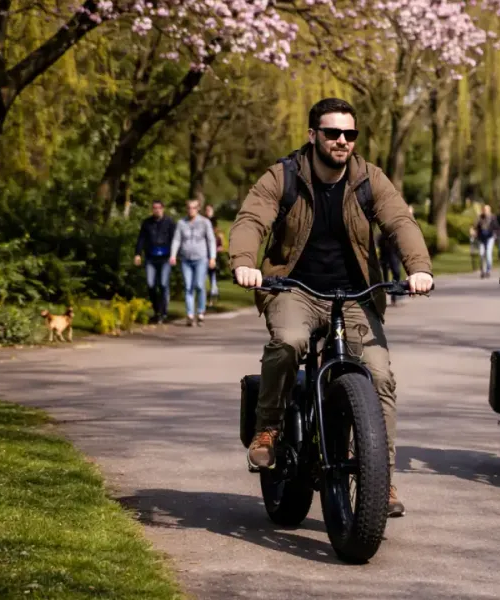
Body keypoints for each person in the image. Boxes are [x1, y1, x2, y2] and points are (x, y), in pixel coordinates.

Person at [229, 98, 433, 518]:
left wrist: (420, 269)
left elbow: (400, 222)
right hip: (293, 288)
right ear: (312, 136)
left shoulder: (368, 179)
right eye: (332, 133)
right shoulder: (283, 176)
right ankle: (268, 428)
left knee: (378, 374)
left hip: (355, 295)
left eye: (349, 134)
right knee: (289, 341)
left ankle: (383, 479)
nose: (342, 141)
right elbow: (251, 219)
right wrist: (245, 264)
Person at [171, 199, 217, 327]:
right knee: (188, 286)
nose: (191, 210)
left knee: (199, 285)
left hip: (201, 258)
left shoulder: (205, 222)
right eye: (189, 208)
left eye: (193, 208)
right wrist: (173, 255)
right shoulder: (181, 223)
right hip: (185, 259)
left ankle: (201, 312)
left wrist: (212, 257)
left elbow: (211, 240)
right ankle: (190, 314)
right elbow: (176, 240)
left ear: (198, 209)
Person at [134, 200, 176, 323]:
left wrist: (174, 255)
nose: (156, 210)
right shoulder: (147, 223)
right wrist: (137, 254)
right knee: (151, 284)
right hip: (150, 258)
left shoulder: (169, 222)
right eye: (154, 208)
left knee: (163, 284)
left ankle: (163, 312)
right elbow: (141, 239)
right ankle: (157, 310)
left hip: (165, 258)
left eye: (159, 208)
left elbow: (174, 239)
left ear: (163, 209)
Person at [204, 204, 223, 306]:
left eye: (209, 210)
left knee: (212, 276)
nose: (207, 211)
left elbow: (220, 243)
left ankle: (212, 295)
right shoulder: (202, 222)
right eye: (206, 210)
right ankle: (210, 295)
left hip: (213, 255)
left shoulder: (215, 225)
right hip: (204, 254)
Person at [474, 204, 497, 279]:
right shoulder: (480, 217)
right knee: (481, 254)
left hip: (490, 238)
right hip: (481, 238)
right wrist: (474, 232)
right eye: (484, 209)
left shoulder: (493, 217)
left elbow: (496, 227)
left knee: (488, 253)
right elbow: (476, 227)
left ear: (489, 210)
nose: (485, 211)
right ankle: (482, 271)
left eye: (487, 210)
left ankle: (488, 270)